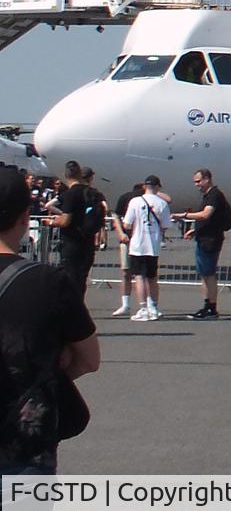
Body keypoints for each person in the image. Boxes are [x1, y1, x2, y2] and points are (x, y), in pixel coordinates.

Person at [0, 167, 100, 475]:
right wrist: (46, 367)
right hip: (24, 441)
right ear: (24, 217)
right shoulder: (48, 281)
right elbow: (89, 359)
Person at [171, 168, 231, 320]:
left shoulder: (214, 195)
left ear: (207, 179)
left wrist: (184, 215)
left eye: (198, 181)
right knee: (205, 274)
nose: (197, 185)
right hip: (204, 237)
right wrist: (195, 230)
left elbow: (206, 214)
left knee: (209, 274)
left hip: (211, 240)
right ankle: (207, 305)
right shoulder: (208, 195)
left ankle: (212, 307)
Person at [120, 175, 172, 321]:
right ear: (157, 187)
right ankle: (153, 307)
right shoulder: (162, 203)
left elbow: (127, 224)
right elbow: (166, 225)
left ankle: (143, 308)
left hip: (138, 243)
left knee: (139, 277)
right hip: (153, 244)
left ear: (145, 186)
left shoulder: (135, 201)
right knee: (152, 277)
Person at [47, 162, 103, 295]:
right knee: (81, 279)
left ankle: (71, 310)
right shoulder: (93, 193)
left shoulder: (71, 194)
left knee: (70, 279)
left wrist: (52, 223)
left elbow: (66, 220)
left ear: (66, 176)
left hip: (72, 242)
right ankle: (79, 307)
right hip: (88, 241)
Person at [109, 181, 141, 317]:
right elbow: (116, 215)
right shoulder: (127, 198)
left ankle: (144, 304)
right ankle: (127, 304)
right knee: (128, 272)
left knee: (136, 274)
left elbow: (115, 216)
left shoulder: (144, 199)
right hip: (128, 238)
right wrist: (121, 233)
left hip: (138, 239)